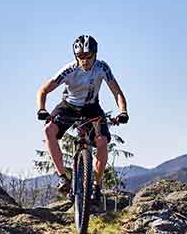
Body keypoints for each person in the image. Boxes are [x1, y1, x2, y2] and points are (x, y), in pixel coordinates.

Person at [36, 35, 129, 203]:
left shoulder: (102, 68)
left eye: (88, 56)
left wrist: (123, 111)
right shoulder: (69, 70)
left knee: (101, 141)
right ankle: (63, 177)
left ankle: (96, 185)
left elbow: (117, 92)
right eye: (81, 57)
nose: (85, 61)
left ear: (95, 54)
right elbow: (43, 90)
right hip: (69, 106)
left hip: (92, 107)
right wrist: (42, 109)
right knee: (48, 130)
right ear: (76, 57)